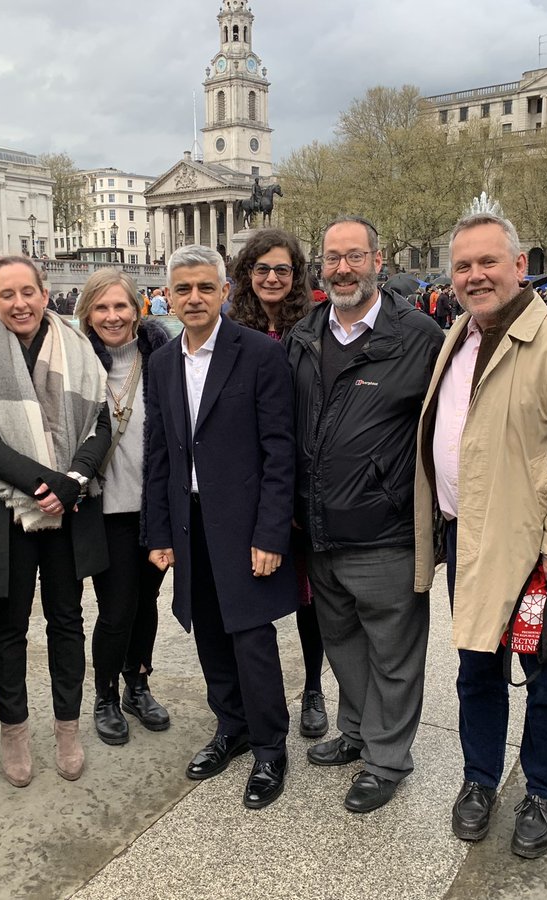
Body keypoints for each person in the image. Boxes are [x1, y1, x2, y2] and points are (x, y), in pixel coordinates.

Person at [414, 212, 547, 856]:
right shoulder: (458, 336)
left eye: (488, 262)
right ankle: (480, 779)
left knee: (546, 674)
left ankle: (544, 791)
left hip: (528, 549)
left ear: (519, 266)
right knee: (475, 668)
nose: (475, 276)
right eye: (463, 266)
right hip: (464, 538)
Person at [285, 216, 444, 813]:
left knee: (394, 654)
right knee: (343, 643)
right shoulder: (305, 334)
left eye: (355, 256)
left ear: (378, 260)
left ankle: (386, 759)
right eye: (332, 258)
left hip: (386, 531)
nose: (343, 268)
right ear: (320, 266)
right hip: (320, 530)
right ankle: (355, 732)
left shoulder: (420, 336)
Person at [143, 244, 297, 810]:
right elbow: (159, 451)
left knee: (251, 637)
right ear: (167, 295)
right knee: (207, 629)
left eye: (205, 287)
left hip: (245, 523)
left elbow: (281, 452)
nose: (193, 298)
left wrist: (271, 534)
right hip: (189, 522)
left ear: (225, 292)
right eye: (182, 289)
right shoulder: (162, 362)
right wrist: (159, 532)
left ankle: (269, 746)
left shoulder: (257, 354)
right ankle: (229, 727)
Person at [0, 255, 111, 788]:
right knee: (10, 628)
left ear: (45, 294)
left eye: (28, 292)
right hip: (10, 513)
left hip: (68, 509)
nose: (19, 303)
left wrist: (76, 478)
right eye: (7, 294)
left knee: (67, 621)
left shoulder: (81, 350)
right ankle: (14, 730)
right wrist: (49, 484)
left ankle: (67, 728)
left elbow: (101, 423)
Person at [228, 228, 329, 739]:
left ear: (296, 276)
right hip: (252, 479)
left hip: (304, 473)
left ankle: (313, 687)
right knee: (254, 588)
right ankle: (252, 695)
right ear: (248, 273)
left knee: (309, 595)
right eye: (262, 268)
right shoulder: (228, 327)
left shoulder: (316, 326)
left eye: (282, 270)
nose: (271, 277)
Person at [76, 269, 173, 744]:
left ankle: (138, 682)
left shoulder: (162, 360)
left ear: (137, 309)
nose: (112, 317)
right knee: (116, 607)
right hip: (103, 508)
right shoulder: (75, 366)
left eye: (121, 306)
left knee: (148, 601)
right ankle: (106, 694)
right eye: (102, 308)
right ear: (87, 314)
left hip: (153, 507)